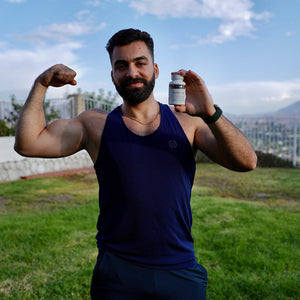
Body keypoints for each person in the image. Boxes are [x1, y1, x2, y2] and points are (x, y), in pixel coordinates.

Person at [15, 28, 257, 299]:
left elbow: (247, 161)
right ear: (113, 75)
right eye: (121, 66)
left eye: (140, 63)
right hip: (118, 272)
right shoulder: (96, 124)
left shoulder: (188, 123)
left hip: (178, 269)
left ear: (154, 68)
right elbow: (28, 143)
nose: (132, 72)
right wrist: (41, 84)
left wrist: (211, 113)